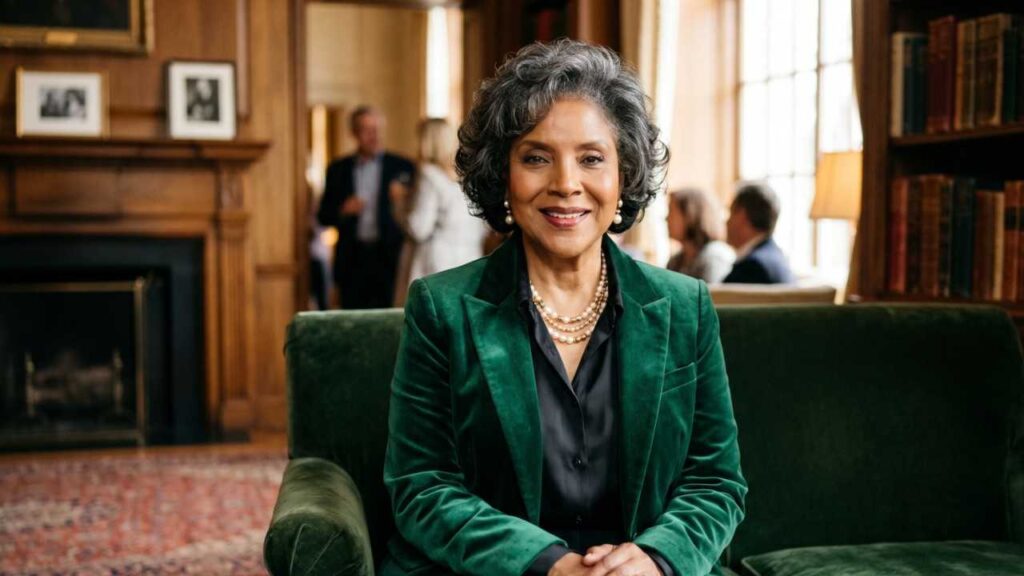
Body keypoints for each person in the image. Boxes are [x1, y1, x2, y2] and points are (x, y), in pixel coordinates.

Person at [382, 40, 746, 576]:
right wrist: (546, 564)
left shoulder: (684, 306)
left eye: (592, 159)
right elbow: (421, 485)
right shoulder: (441, 308)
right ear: (503, 175)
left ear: (623, 176)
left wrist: (656, 558)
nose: (566, 184)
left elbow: (716, 480)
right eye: (536, 158)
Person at [317, 106, 414, 308]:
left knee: (391, 321)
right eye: (366, 130)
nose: (374, 136)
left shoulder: (403, 167)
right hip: (353, 259)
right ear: (354, 133)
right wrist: (343, 210)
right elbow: (323, 216)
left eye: (377, 129)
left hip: (390, 258)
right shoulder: (337, 169)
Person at [391, 118, 488, 306]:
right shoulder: (467, 176)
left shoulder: (430, 175)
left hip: (435, 263)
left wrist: (398, 203)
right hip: (469, 260)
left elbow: (418, 229)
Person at [722, 182, 795, 284]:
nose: (726, 222)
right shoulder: (778, 258)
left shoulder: (751, 268)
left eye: (731, 213)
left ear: (741, 216)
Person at [665, 188, 735, 284]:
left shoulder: (715, 257)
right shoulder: (675, 261)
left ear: (690, 214)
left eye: (671, 212)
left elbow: (712, 297)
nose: (666, 218)